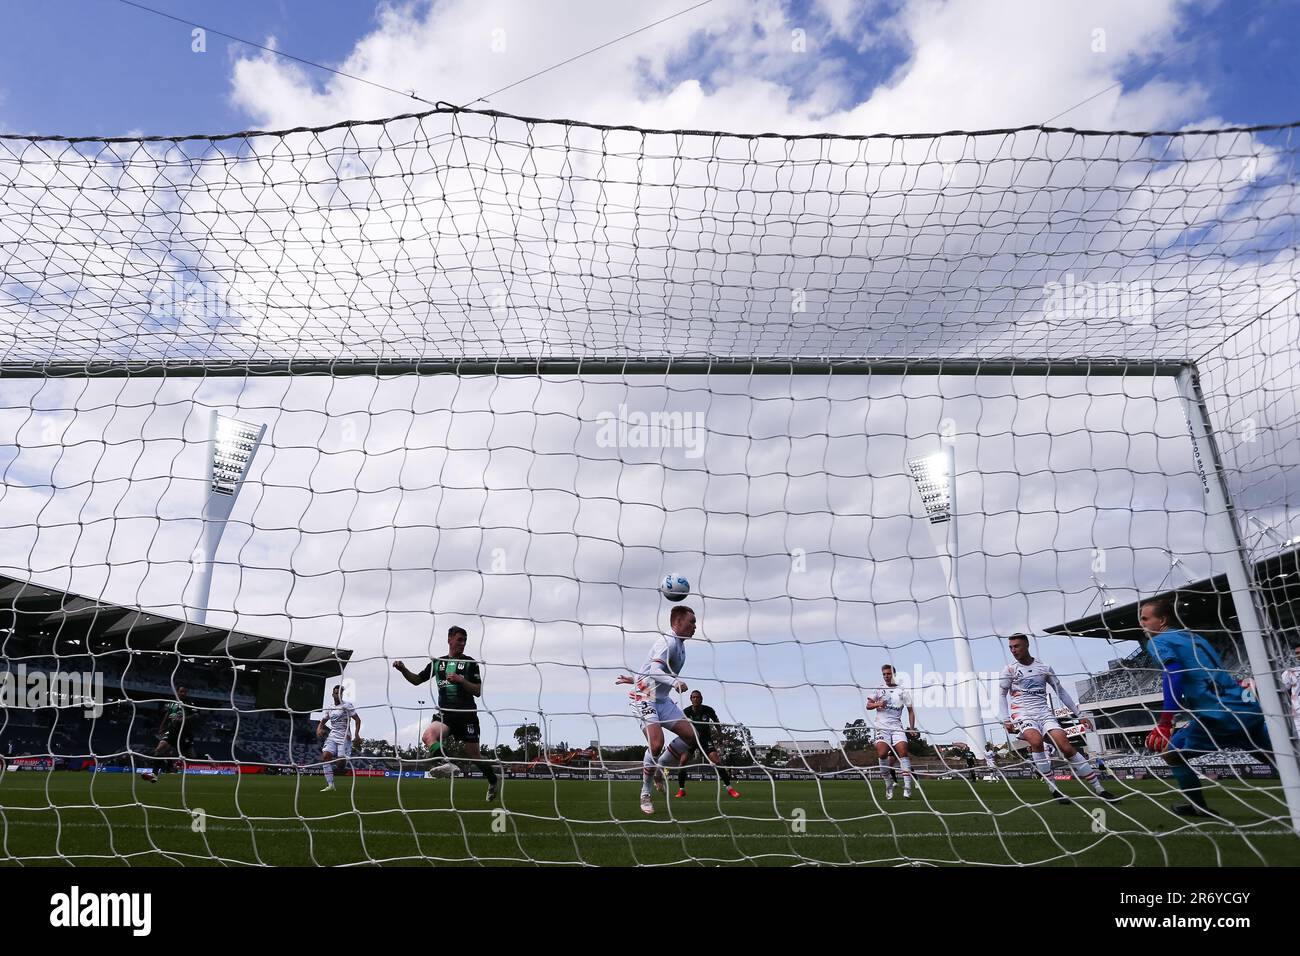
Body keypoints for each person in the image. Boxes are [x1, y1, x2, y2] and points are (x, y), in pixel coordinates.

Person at [1140, 597, 1273, 817]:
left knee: (1173, 756)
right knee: (1275, 757)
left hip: (1218, 717)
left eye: (1146, 618)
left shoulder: (1158, 641)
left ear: (1162, 620)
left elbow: (1174, 674)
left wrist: (1165, 721)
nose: (1142, 623)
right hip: (1246, 708)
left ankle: (1199, 808)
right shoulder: (1195, 638)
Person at [999, 634, 1117, 804]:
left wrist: (1079, 715)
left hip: (1044, 713)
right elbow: (1001, 695)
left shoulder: (1044, 667)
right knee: (1036, 741)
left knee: (1066, 747)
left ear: (1026, 645)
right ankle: (1054, 789)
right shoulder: (1009, 670)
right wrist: (1006, 719)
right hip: (1022, 713)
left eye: (1016, 646)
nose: (1013, 650)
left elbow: (1060, 692)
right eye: (1011, 647)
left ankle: (1100, 789)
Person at [394, 625, 500, 802]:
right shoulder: (437, 663)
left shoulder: (470, 663)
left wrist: (461, 680)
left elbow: (478, 690)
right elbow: (417, 680)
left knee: (474, 755)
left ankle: (493, 781)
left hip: (467, 715)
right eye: (459, 639)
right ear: (449, 639)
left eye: (465, 640)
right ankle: (447, 764)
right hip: (446, 715)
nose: (462, 643)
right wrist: (403, 669)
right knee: (428, 736)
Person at [616, 604, 700, 815]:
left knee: (692, 737)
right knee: (656, 743)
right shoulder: (667, 641)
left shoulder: (680, 645)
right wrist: (674, 682)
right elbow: (655, 670)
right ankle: (645, 792)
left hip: (661, 699)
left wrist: (635, 678)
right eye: (692, 621)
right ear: (677, 622)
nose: (695, 626)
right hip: (643, 696)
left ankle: (659, 768)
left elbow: (649, 670)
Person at [674, 690, 740, 799]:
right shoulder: (686, 712)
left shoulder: (708, 710)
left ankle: (730, 788)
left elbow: (716, 722)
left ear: (701, 699)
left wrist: (720, 735)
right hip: (692, 740)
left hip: (705, 739)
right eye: (694, 697)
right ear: (691, 699)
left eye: (698, 697)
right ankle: (681, 790)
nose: (696, 699)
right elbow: (680, 725)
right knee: (682, 762)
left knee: (717, 761)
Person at [866, 664, 918, 799]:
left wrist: (911, 727)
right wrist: (878, 704)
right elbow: (868, 705)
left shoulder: (902, 691)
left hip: (896, 727)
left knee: (903, 752)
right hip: (882, 727)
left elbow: (911, 711)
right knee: (882, 754)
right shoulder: (878, 689)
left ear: (894, 675)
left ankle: (907, 788)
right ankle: (888, 784)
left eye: (888, 674)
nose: (886, 676)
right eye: (884, 674)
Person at [316, 684, 361, 793]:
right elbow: (322, 721)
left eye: (340, 693)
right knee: (325, 757)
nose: (338, 695)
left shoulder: (347, 705)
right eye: (336, 693)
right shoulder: (330, 707)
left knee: (341, 765)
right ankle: (330, 785)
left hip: (345, 737)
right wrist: (319, 729)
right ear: (332, 694)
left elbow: (357, 720)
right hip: (332, 736)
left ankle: (342, 760)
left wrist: (357, 734)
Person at [140, 686, 189, 783]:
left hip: (182, 732)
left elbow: (194, 715)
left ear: (186, 693)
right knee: (159, 751)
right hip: (171, 731)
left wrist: (183, 720)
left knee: (191, 755)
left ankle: (170, 768)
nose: (182, 693)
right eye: (180, 691)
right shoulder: (173, 704)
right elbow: (167, 715)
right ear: (177, 692)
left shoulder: (188, 704)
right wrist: (162, 727)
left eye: (184, 692)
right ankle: (155, 775)